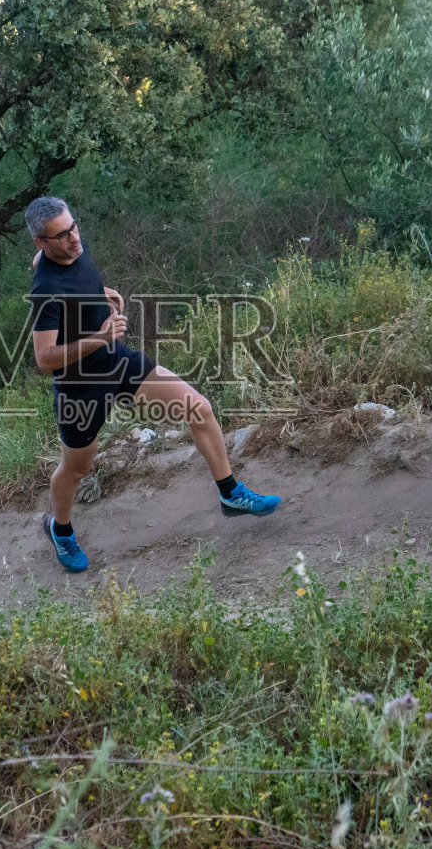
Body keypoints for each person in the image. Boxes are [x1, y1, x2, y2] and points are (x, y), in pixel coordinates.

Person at [25, 196, 281, 572]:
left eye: (74, 227)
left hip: (117, 362)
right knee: (77, 468)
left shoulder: (68, 245)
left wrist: (101, 292)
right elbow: (44, 359)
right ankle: (59, 529)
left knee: (199, 408)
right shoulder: (45, 291)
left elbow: (73, 277)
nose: (75, 239)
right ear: (42, 243)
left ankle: (230, 494)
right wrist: (100, 335)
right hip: (81, 387)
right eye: (62, 236)